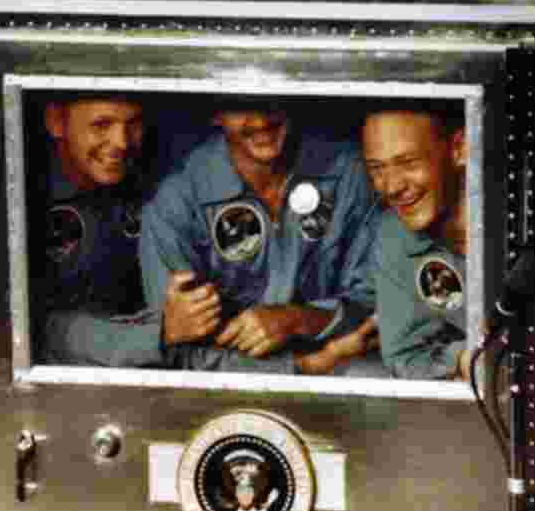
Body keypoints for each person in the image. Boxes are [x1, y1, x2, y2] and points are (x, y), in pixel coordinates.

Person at [140, 102, 381, 375]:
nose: (260, 120)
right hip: (227, 383)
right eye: (240, 105)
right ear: (216, 112)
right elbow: (175, 348)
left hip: (344, 362)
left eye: (271, 99)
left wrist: (299, 319)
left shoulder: (349, 173)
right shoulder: (175, 202)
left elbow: (377, 302)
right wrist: (299, 368)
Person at [39, 94, 165, 367]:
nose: (122, 142)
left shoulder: (155, 184)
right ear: (56, 121)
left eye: (133, 123)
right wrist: (158, 337)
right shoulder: (23, 194)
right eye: (101, 124)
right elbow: (30, 328)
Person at [362, 108, 475, 380]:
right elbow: (405, 356)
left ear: (458, 149)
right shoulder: (394, 235)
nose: (391, 187)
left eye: (408, 162)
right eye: (377, 168)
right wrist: (460, 359)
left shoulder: (525, 219)